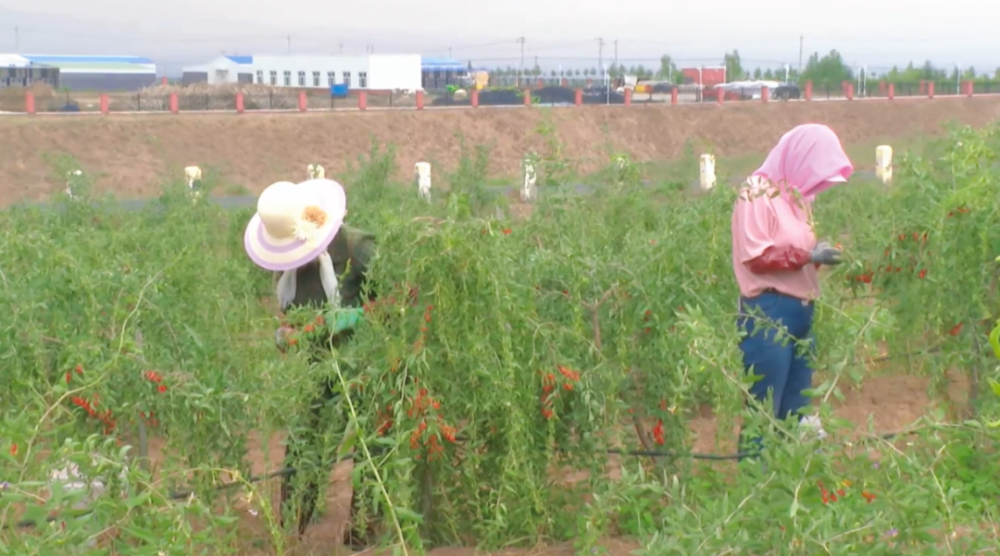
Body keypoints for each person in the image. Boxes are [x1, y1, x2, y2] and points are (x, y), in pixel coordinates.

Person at [243, 178, 382, 547]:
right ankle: (292, 529)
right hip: (317, 365)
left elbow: (402, 296)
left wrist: (355, 318)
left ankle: (362, 535)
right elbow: (293, 309)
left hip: (364, 365)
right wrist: (287, 333)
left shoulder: (357, 247)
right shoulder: (288, 263)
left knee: (370, 446)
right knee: (305, 442)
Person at [730, 124, 853, 457]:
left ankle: (787, 485)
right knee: (764, 409)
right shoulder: (756, 191)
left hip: (801, 312)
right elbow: (756, 256)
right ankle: (754, 489)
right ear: (800, 157)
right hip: (769, 313)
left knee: (796, 410)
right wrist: (807, 256)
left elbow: (795, 255)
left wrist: (819, 255)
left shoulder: (797, 198)